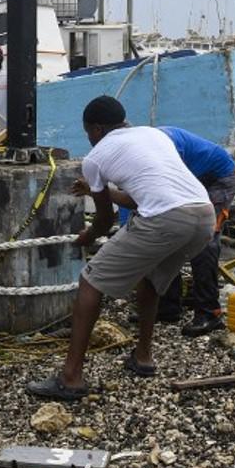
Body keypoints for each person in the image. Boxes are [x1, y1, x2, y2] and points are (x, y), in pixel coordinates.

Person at [25, 95, 214, 400]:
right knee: (150, 278)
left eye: (88, 132)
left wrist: (87, 237)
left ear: (97, 129)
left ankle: (70, 377)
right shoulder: (154, 134)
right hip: (203, 215)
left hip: (166, 219)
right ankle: (143, 358)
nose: (89, 138)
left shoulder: (96, 158)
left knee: (90, 279)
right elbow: (139, 198)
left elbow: (103, 220)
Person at [149, 126, 235, 336]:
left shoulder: (163, 146)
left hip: (217, 177)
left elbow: (171, 183)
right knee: (167, 235)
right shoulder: (131, 156)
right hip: (192, 177)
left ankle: (210, 312)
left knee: (204, 241)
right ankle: (168, 307)